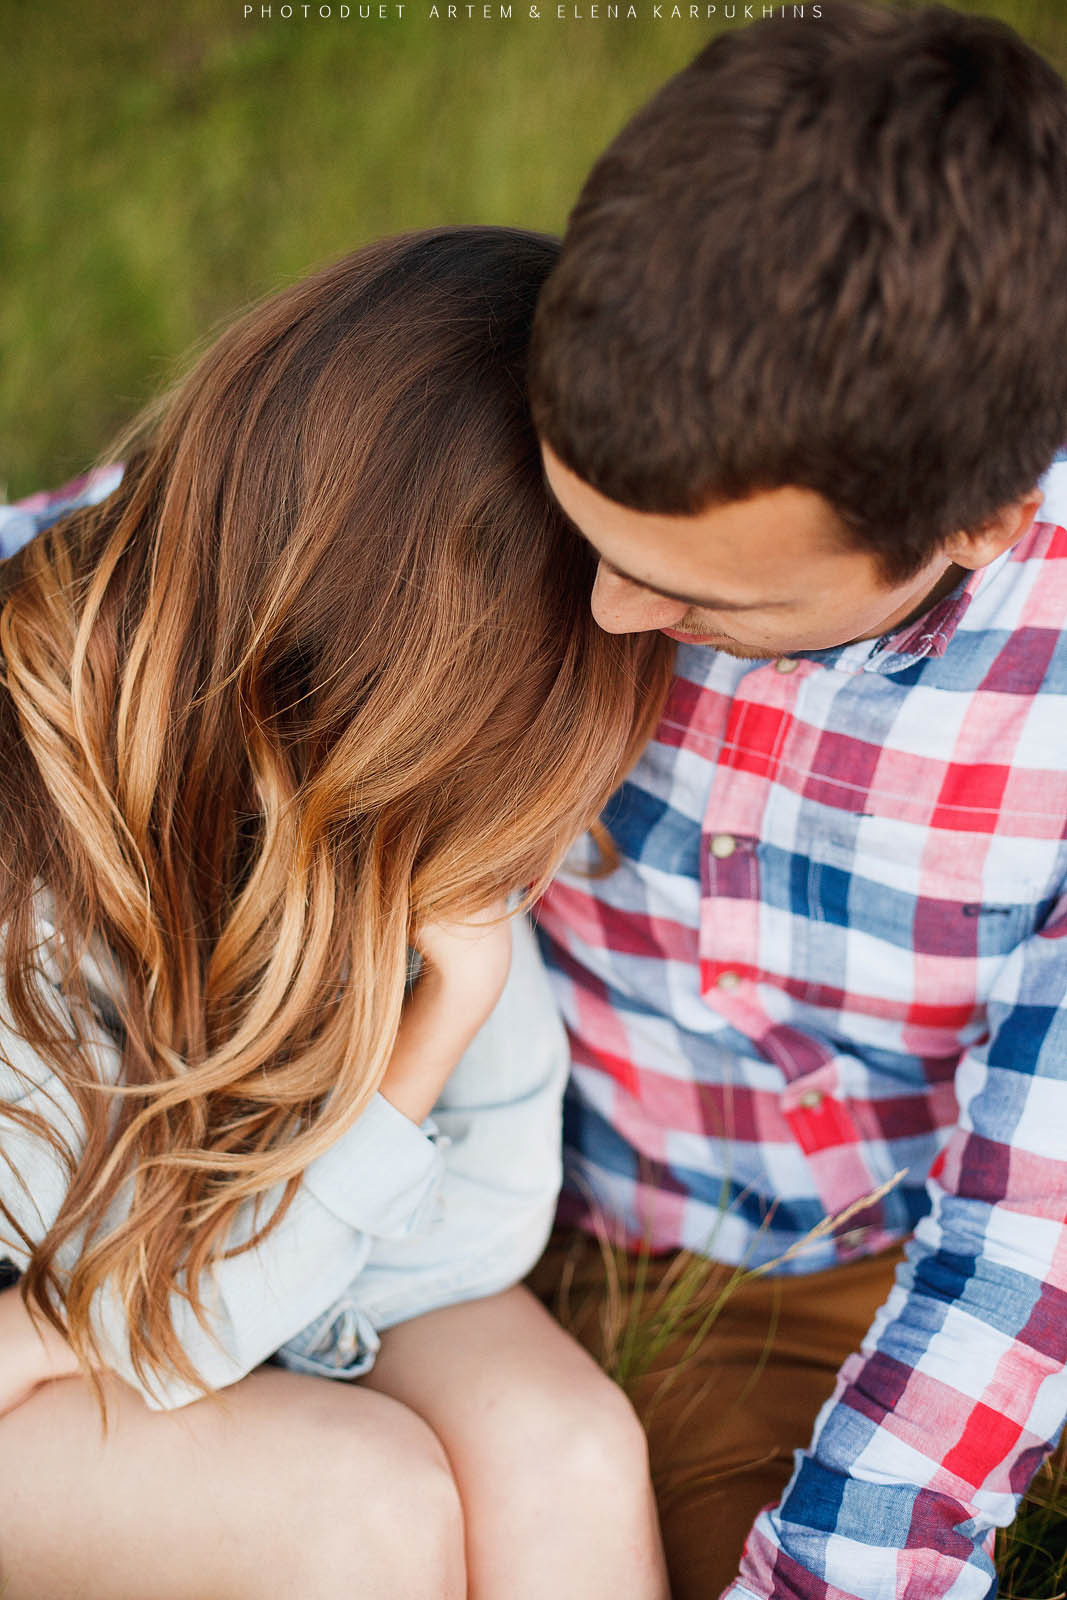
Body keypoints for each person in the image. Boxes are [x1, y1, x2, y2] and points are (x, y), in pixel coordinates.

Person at [0, 226, 673, 1599]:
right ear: (400, 706)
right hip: (40, 1312)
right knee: (361, 1512)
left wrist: (421, 1046)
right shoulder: (37, 828)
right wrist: (418, 1053)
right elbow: (141, 1316)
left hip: (174, 1280)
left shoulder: (380, 828)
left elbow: (488, 1216)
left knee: (569, 1454)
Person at [523, 5, 1067, 1598]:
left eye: (700, 603)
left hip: (807, 1285)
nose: (611, 615)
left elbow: (1022, 1252)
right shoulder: (609, 382)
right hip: (435, 1159)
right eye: (583, 535)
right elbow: (138, 557)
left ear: (977, 525)